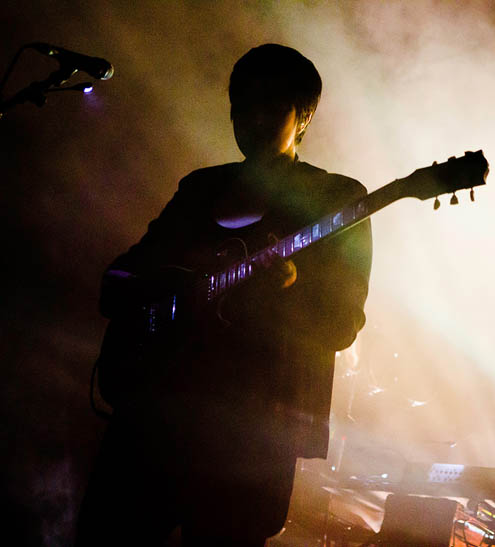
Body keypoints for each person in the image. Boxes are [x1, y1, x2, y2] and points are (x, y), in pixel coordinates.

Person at [75, 44, 372, 547]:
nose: (250, 119)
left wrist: (290, 286)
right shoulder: (199, 190)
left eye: (268, 105)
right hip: (152, 419)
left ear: (303, 116)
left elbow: (341, 322)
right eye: (240, 105)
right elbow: (123, 276)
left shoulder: (334, 200)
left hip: (251, 436)